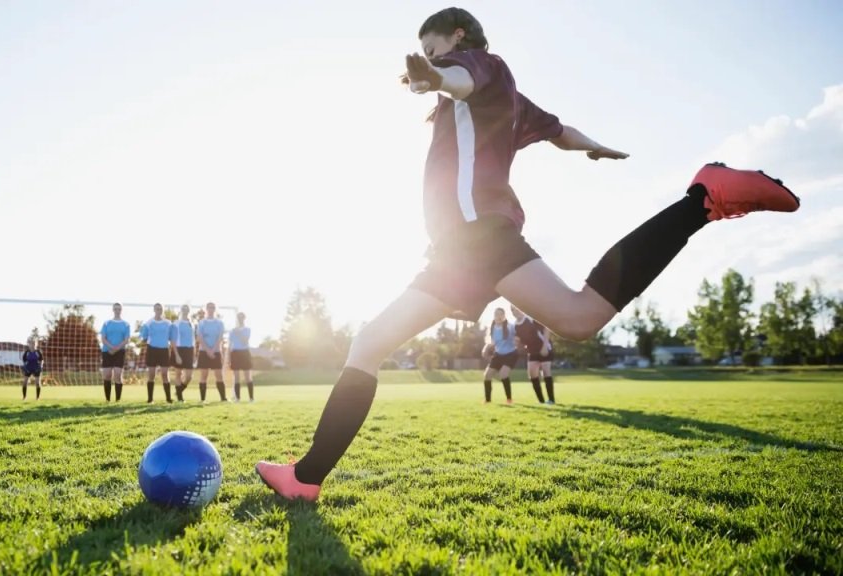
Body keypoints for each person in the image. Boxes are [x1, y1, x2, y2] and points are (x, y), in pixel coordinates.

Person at [255, 7, 799, 501]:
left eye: (432, 48)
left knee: (379, 342)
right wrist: (594, 147)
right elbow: (559, 131)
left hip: (476, 240)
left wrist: (437, 78)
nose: (430, 58)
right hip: (461, 250)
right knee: (573, 319)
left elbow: (462, 78)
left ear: (459, 36)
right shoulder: (507, 97)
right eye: (424, 55)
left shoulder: (481, 66)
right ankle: (306, 477)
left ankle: (702, 198)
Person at [512, 305, 553, 404]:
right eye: (512, 310)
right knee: (532, 374)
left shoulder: (531, 318)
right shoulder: (515, 325)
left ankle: (551, 400)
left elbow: (546, 329)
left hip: (544, 348)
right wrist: (517, 344)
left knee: (546, 371)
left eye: (516, 308)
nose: (515, 311)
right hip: (532, 351)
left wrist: (544, 347)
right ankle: (541, 401)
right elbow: (520, 340)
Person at [140, 303, 177, 403]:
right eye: (157, 308)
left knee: (165, 374)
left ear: (162, 310)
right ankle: (150, 399)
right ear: (154, 310)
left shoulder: (168, 323)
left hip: (164, 350)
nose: (158, 310)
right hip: (152, 350)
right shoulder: (149, 323)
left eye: (160, 309)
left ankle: (168, 399)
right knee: (151, 374)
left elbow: (172, 338)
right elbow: (143, 337)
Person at [482, 307, 517, 404]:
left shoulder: (510, 326)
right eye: (496, 314)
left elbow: (518, 335)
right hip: (498, 354)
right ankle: (488, 400)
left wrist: (518, 341)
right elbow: (491, 342)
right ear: (494, 316)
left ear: (504, 316)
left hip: (511, 354)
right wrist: (485, 349)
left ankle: (509, 399)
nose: (499, 316)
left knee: (503, 374)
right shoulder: (492, 327)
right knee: (487, 375)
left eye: (501, 314)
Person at [195, 303, 227, 402]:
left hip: (216, 352)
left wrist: (213, 350)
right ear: (206, 309)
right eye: (209, 307)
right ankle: (203, 399)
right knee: (204, 375)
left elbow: (220, 337)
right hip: (203, 352)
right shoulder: (202, 323)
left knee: (219, 375)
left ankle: (223, 398)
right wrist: (208, 350)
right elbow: (199, 337)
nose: (211, 309)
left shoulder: (219, 323)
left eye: (212, 307)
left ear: (215, 309)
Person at [99, 302, 130, 402]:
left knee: (118, 375)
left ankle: (117, 400)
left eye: (119, 309)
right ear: (113, 310)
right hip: (107, 351)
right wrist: (111, 347)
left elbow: (126, 340)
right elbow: (103, 339)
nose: (117, 310)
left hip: (120, 352)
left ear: (121, 310)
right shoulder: (106, 323)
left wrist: (117, 349)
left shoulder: (126, 324)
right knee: (107, 375)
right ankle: (108, 400)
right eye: (115, 309)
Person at [172, 305, 196, 402]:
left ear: (189, 311)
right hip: (179, 349)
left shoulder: (192, 324)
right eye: (183, 309)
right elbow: (173, 340)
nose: (185, 311)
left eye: (187, 309)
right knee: (178, 373)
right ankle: (180, 398)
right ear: (181, 310)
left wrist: (194, 354)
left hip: (189, 350)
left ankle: (179, 391)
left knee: (189, 377)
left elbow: (193, 340)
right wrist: (176, 355)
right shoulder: (176, 323)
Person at [229, 312, 254, 402]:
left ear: (244, 319)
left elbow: (245, 341)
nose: (240, 320)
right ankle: (237, 398)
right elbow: (230, 344)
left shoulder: (247, 329)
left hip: (245, 352)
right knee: (236, 377)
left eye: (242, 318)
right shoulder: (232, 331)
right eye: (239, 318)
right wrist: (229, 357)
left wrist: (238, 332)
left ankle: (251, 398)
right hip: (235, 353)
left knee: (248, 376)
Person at [21, 337, 44, 401]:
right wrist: (25, 366)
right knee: (25, 382)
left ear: (36, 344)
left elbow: (42, 360)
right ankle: (24, 397)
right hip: (28, 368)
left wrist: (41, 366)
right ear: (29, 344)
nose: (32, 345)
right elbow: (24, 360)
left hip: (36, 368)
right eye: (31, 343)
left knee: (37, 383)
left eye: (34, 343)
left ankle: (37, 398)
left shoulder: (38, 352)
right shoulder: (27, 352)